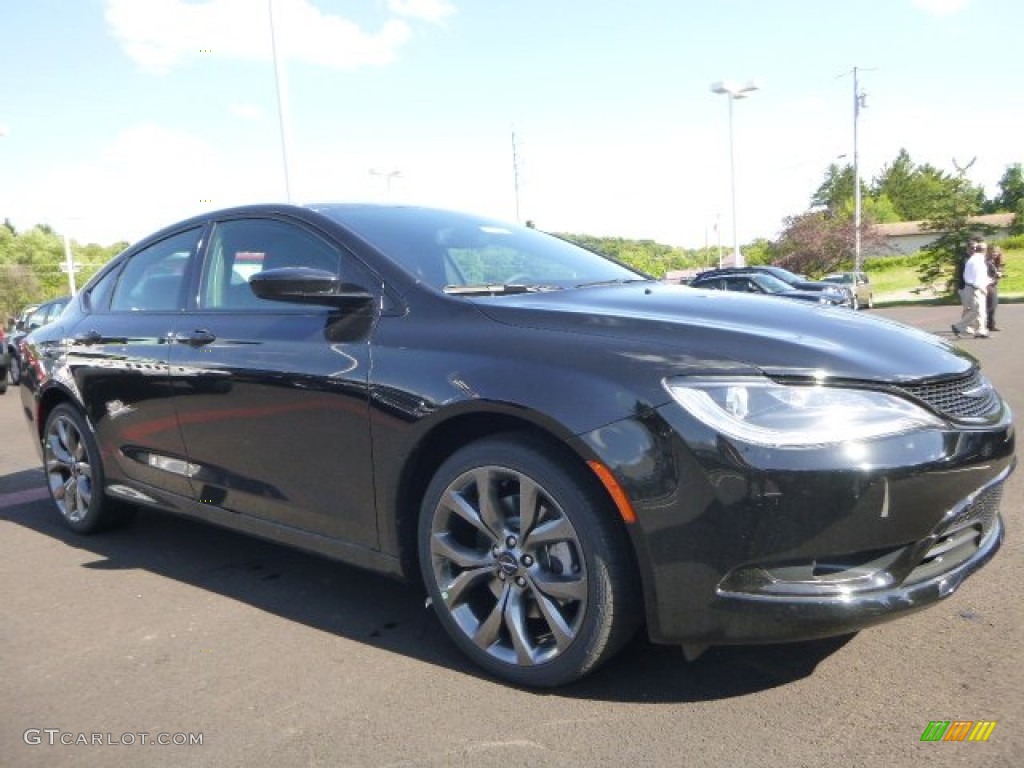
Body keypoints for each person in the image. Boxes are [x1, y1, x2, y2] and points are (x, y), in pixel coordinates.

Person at [951, 241, 991, 338]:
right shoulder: (977, 260)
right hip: (975, 288)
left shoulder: (975, 259)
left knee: (980, 311)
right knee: (976, 310)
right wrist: (982, 288)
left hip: (973, 287)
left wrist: (987, 281)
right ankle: (959, 326)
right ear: (984, 250)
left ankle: (981, 331)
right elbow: (976, 277)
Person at [986, 244, 1005, 331]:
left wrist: (1000, 273)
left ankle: (990, 324)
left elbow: (1000, 269)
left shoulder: (995, 261)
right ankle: (988, 325)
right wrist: (996, 274)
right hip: (987, 285)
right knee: (991, 305)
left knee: (993, 305)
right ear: (988, 251)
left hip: (993, 284)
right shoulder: (986, 261)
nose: (995, 253)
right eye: (993, 252)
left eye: (997, 252)